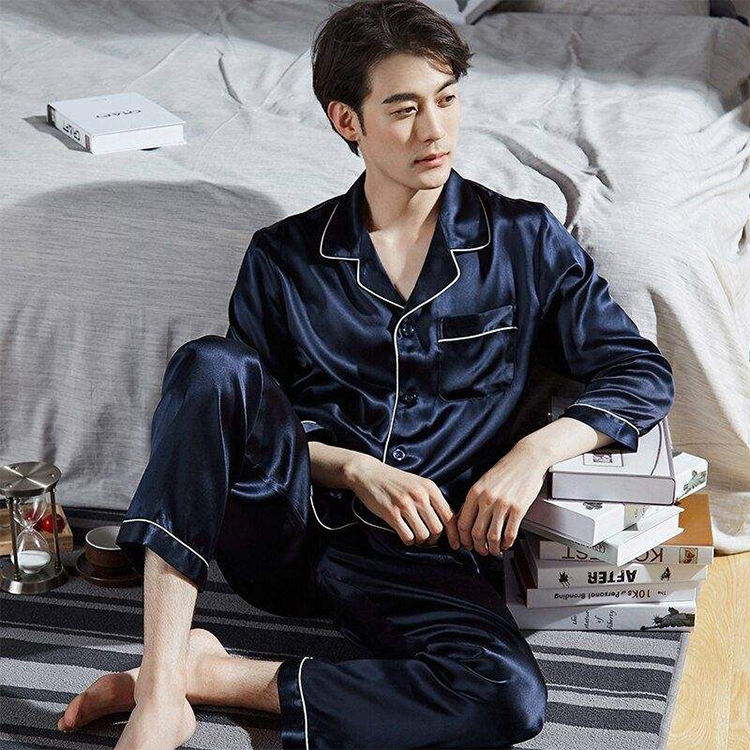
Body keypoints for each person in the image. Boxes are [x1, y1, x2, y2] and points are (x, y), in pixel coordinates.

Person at [56, 0, 675, 748]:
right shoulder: (284, 256)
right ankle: (159, 690)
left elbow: (637, 370)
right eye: (405, 109)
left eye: (447, 100)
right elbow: (240, 422)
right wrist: (353, 468)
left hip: (429, 551)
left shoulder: (523, 239)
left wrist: (533, 451)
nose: (435, 130)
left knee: (507, 699)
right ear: (347, 120)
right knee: (210, 365)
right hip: (287, 535)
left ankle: (213, 675)